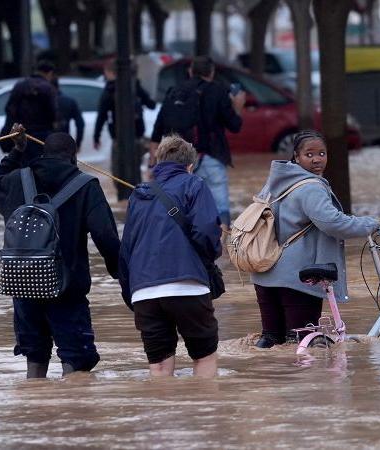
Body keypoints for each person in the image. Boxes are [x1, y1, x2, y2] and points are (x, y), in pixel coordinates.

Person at [0, 124, 121, 378]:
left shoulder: (17, 179)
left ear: (43, 153)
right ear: (74, 157)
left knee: (35, 356)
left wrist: (16, 151)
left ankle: (37, 410)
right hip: (67, 289)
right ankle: (69, 412)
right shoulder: (85, 185)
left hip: (24, 285)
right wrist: (121, 274)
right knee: (76, 360)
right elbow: (106, 236)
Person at [251, 130, 380, 348]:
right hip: (299, 278)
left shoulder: (274, 183)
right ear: (296, 157)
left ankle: (267, 381)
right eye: (309, 154)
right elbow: (333, 223)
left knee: (271, 343)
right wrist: (371, 224)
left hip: (264, 274)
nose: (317, 159)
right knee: (302, 344)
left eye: (322, 153)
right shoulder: (311, 187)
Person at [119, 135, 222, 378]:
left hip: (144, 292)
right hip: (188, 288)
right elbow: (206, 232)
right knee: (203, 357)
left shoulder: (138, 195)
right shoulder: (194, 184)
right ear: (190, 166)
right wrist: (210, 258)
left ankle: (164, 413)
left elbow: (126, 248)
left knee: (159, 367)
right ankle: (207, 414)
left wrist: (131, 293)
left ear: (157, 162)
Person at [151, 56, 245, 230]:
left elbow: (158, 129)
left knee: (182, 204)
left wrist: (153, 162)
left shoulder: (174, 91)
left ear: (190, 71)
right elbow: (235, 125)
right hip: (211, 155)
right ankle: (221, 247)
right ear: (211, 72)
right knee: (219, 205)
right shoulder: (218, 91)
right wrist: (237, 107)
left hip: (178, 159)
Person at [93, 59, 157, 201]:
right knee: (135, 170)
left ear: (111, 72)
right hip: (137, 136)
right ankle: (138, 197)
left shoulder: (110, 90)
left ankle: (125, 197)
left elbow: (102, 115)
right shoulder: (135, 86)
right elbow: (151, 104)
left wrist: (96, 136)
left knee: (118, 171)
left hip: (119, 138)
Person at [0, 60, 58, 164]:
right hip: (41, 135)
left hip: (21, 134)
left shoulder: (19, 85)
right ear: (50, 73)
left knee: (21, 165)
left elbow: (10, 109)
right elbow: (53, 114)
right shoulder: (48, 88)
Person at [52, 77, 85, 151]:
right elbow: (80, 124)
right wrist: (78, 143)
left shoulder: (40, 102)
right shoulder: (69, 101)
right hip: (64, 142)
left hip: (43, 143)